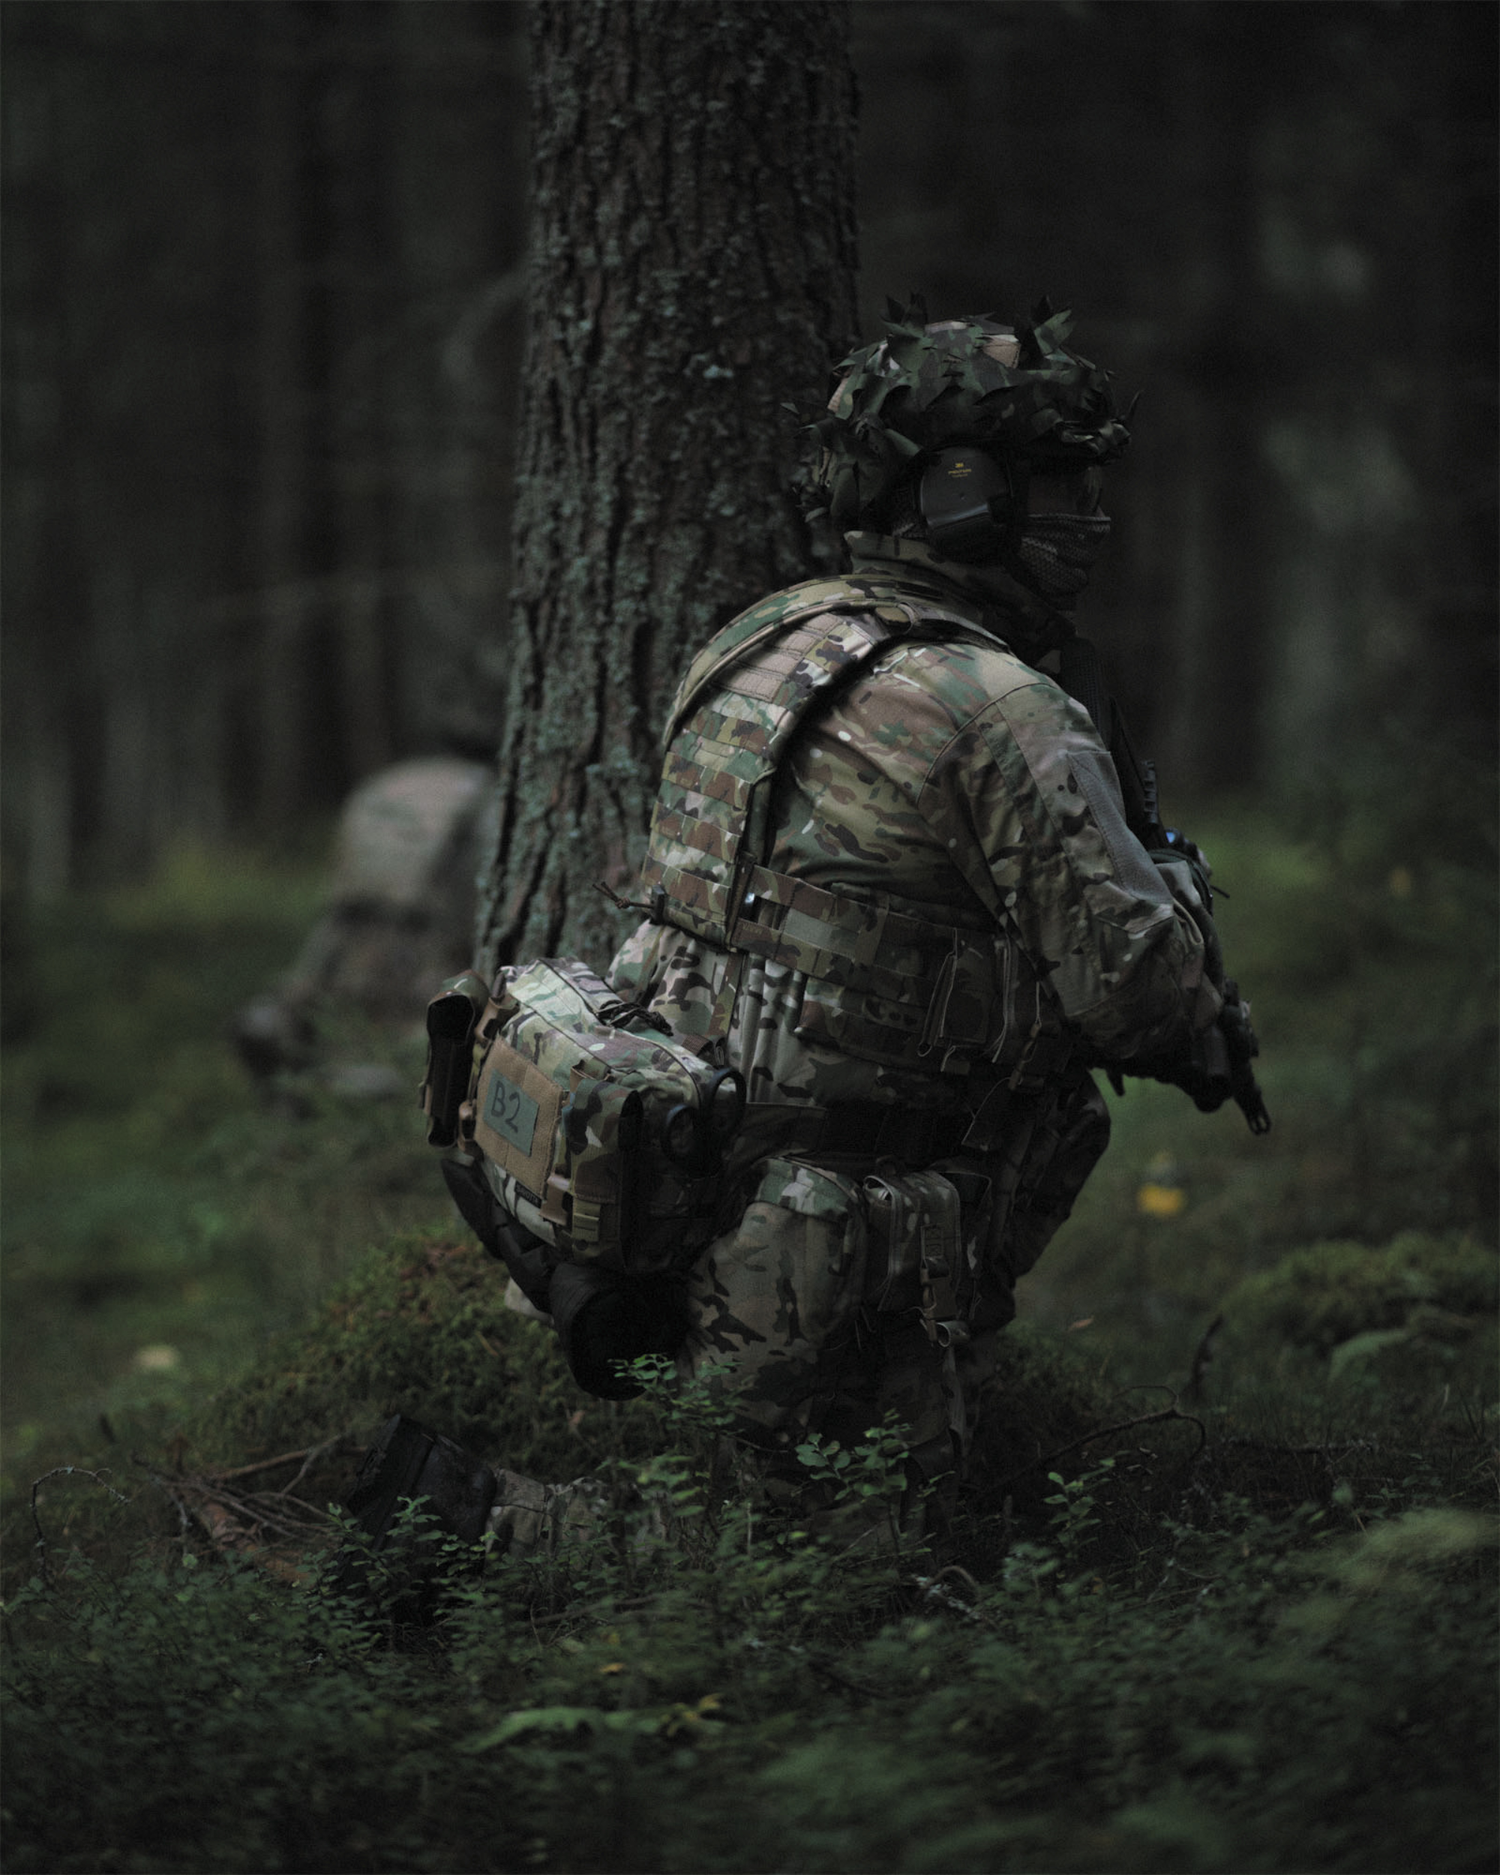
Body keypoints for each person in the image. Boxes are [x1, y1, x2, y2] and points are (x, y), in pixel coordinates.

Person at [583, 303, 1226, 1537]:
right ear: (957, 493)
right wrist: (1184, 917)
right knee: (819, 1581)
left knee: (750, 1547)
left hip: (677, 1187)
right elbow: (1142, 1001)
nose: (1087, 517)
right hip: (838, 1241)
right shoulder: (1001, 707)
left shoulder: (754, 641)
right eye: (1054, 483)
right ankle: (470, 1530)